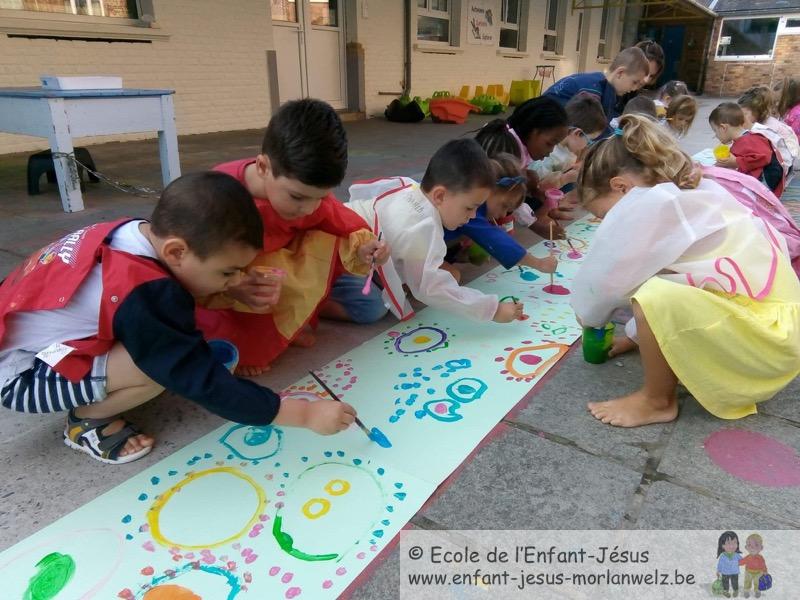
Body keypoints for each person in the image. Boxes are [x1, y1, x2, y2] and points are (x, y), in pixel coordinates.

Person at [0, 173, 357, 464]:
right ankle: (86, 421)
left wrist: (229, 284)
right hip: (19, 375)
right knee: (158, 370)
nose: (235, 280)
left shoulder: (137, 233)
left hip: (18, 330)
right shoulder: (146, 292)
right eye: (227, 272)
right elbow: (200, 379)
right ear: (176, 251)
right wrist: (305, 415)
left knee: (169, 345)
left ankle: (102, 382)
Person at [571, 115, 800, 427]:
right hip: (777, 336)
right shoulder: (690, 190)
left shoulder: (652, 207)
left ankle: (657, 402)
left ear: (621, 187)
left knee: (652, 296)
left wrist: (589, 317)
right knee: (658, 284)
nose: (605, 223)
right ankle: (656, 358)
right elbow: (686, 276)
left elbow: (603, 285)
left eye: (603, 214)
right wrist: (636, 339)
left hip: (766, 345)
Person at [196, 99, 388, 376]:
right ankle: (288, 321)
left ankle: (297, 317)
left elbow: (342, 221)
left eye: (320, 197)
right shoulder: (216, 197)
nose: (308, 209)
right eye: (297, 197)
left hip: (288, 273)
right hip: (240, 282)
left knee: (371, 306)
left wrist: (366, 248)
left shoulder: (305, 191)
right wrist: (232, 286)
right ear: (263, 167)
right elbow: (192, 266)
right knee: (231, 349)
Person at [325, 139, 524, 324]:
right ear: (439, 195)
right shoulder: (422, 227)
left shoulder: (413, 188)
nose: (472, 216)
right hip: (334, 258)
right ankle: (317, 304)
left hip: (350, 241)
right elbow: (431, 288)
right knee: (372, 308)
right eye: (469, 208)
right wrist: (492, 309)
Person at [443, 153, 559, 277]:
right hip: (426, 246)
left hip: (434, 243)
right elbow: (494, 238)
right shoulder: (469, 206)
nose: (503, 214)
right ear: (489, 190)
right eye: (504, 206)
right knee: (452, 276)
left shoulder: (469, 198)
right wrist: (538, 263)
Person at [473, 96, 572, 238]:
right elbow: (508, 193)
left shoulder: (513, 139)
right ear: (534, 132)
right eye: (550, 143)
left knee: (531, 176)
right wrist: (535, 225)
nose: (550, 151)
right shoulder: (507, 151)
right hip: (473, 206)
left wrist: (534, 189)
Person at [545, 47, 650, 124]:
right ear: (620, 73)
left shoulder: (605, 88)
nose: (634, 88)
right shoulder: (592, 91)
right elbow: (593, 130)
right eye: (634, 82)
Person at [528, 94, 608, 190]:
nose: (587, 145)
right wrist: (566, 178)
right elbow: (538, 187)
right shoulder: (546, 154)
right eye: (589, 141)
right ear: (577, 133)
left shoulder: (568, 147)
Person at [710, 102, 785, 196]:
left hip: (766, 182)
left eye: (715, 131)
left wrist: (736, 162)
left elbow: (764, 157)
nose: (715, 136)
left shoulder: (750, 139)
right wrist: (726, 163)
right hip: (757, 179)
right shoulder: (741, 140)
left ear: (723, 128)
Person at [738, 85, 799, 172]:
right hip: (776, 165)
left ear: (757, 111)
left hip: (783, 170)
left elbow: (763, 155)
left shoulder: (769, 128)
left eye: (745, 114)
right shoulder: (759, 123)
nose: (741, 118)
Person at [739, 533, 768, 598]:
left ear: (761, 548)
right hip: (748, 572)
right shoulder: (748, 557)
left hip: (758, 572)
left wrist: (765, 571)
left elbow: (763, 565)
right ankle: (746, 590)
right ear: (746, 547)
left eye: (756, 545)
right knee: (747, 581)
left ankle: (757, 591)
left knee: (757, 582)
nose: (752, 547)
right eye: (749, 545)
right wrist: (736, 563)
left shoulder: (760, 558)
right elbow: (742, 562)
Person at [717, 531, 742, 598]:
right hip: (725, 572)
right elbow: (720, 564)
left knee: (735, 582)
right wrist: (718, 571)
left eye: (734, 543)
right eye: (728, 543)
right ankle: (725, 591)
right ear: (722, 546)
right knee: (725, 582)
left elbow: (742, 561)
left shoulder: (736, 555)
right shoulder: (723, 556)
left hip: (735, 572)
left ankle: (736, 590)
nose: (732, 546)